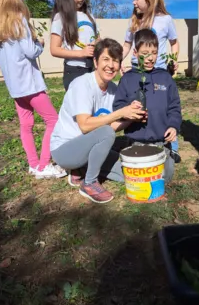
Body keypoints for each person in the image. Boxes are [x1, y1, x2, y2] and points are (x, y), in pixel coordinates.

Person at [0, 0, 66, 180]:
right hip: (31, 85)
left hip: (15, 88)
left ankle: (33, 164)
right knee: (53, 120)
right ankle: (44, 164)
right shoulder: (19, 20)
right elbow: (31, 51)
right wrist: (39, 44)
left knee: (26, 124)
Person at [50, 39, 147, 203]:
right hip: (65, 150)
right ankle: (88, 183)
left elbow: (112, 127)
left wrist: (131, 118)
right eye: (106, 59)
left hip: (88, 147)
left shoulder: (113, 90)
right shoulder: (82, 85)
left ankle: (82, 168)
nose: (111, 65)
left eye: (115, 60)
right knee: (106, 131)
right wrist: (119, 113)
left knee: (128, 175)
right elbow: (85, 125)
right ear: (95, 61)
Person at [120, 0, 182, 164]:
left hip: (159, 72)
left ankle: (171, 143)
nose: (133, 2)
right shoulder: (134, 22)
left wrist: (173, 60)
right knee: (140, 107)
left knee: (161, 108)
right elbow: (126, 45)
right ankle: (138, 139)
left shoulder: (165, 20)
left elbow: (174, 43)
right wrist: (118, 61)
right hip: (137, 74)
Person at [113, 29, 182, 183]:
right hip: (135, 141)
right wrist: (128, 111)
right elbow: (118, 106)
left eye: (154, 53)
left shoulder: (165, 78)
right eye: (145, 53)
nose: (150, 58)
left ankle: (167, 154)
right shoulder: (127, 80)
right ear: (135, 53)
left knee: (165, 177)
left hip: (161, 141)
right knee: (138, 177)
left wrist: (173, 126)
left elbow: (174, 107)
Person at [49, 0, 100, 91]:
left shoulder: (89, 16)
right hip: (74, 72)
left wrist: (98, 44)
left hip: (92, 69)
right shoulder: (60, 17)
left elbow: (98, 39)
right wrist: (81, 53)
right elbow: (54, 49)